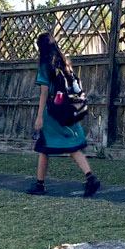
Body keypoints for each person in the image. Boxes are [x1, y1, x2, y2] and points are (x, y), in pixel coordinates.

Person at [26, 32, 101, 198]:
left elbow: (44, 92)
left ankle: (40, 184)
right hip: (67, 110)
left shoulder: (45, 66)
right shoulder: (64, 63)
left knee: (43, 147)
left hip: (52, 113)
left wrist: (39, 116)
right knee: (73, 147)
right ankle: (90, 177)